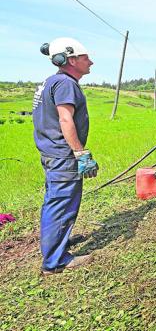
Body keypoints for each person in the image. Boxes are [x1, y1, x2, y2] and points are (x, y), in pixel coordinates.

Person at [33, 37, 99, 275]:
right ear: (71, 60)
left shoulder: (51, 82)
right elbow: (65, 119)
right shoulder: (65, 84)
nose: (90, 61)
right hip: (62, 155)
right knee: (62, 204)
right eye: (85, 58)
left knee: (55, 200)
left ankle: (57, 242)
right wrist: (81, 153)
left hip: (51, 152)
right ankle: (55, 261)